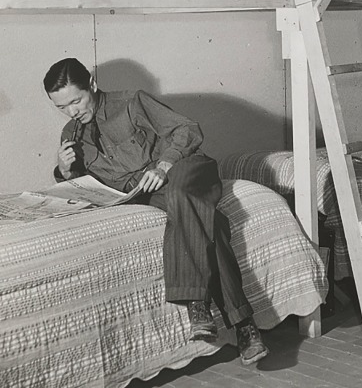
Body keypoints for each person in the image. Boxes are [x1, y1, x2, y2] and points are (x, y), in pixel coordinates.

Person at [43, 58, 269, 365]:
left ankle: (194, 301)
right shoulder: (71, 134)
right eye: (62, 107)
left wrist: (164, 166)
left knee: (180, 193)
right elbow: (83, 186)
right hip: (145, 193)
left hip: (185, 170)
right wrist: (65, 171)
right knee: (209, 224)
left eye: (76, 101)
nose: (72, 112)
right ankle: (245, 326)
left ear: (92, 86)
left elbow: (187, 130)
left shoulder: (132, 102)